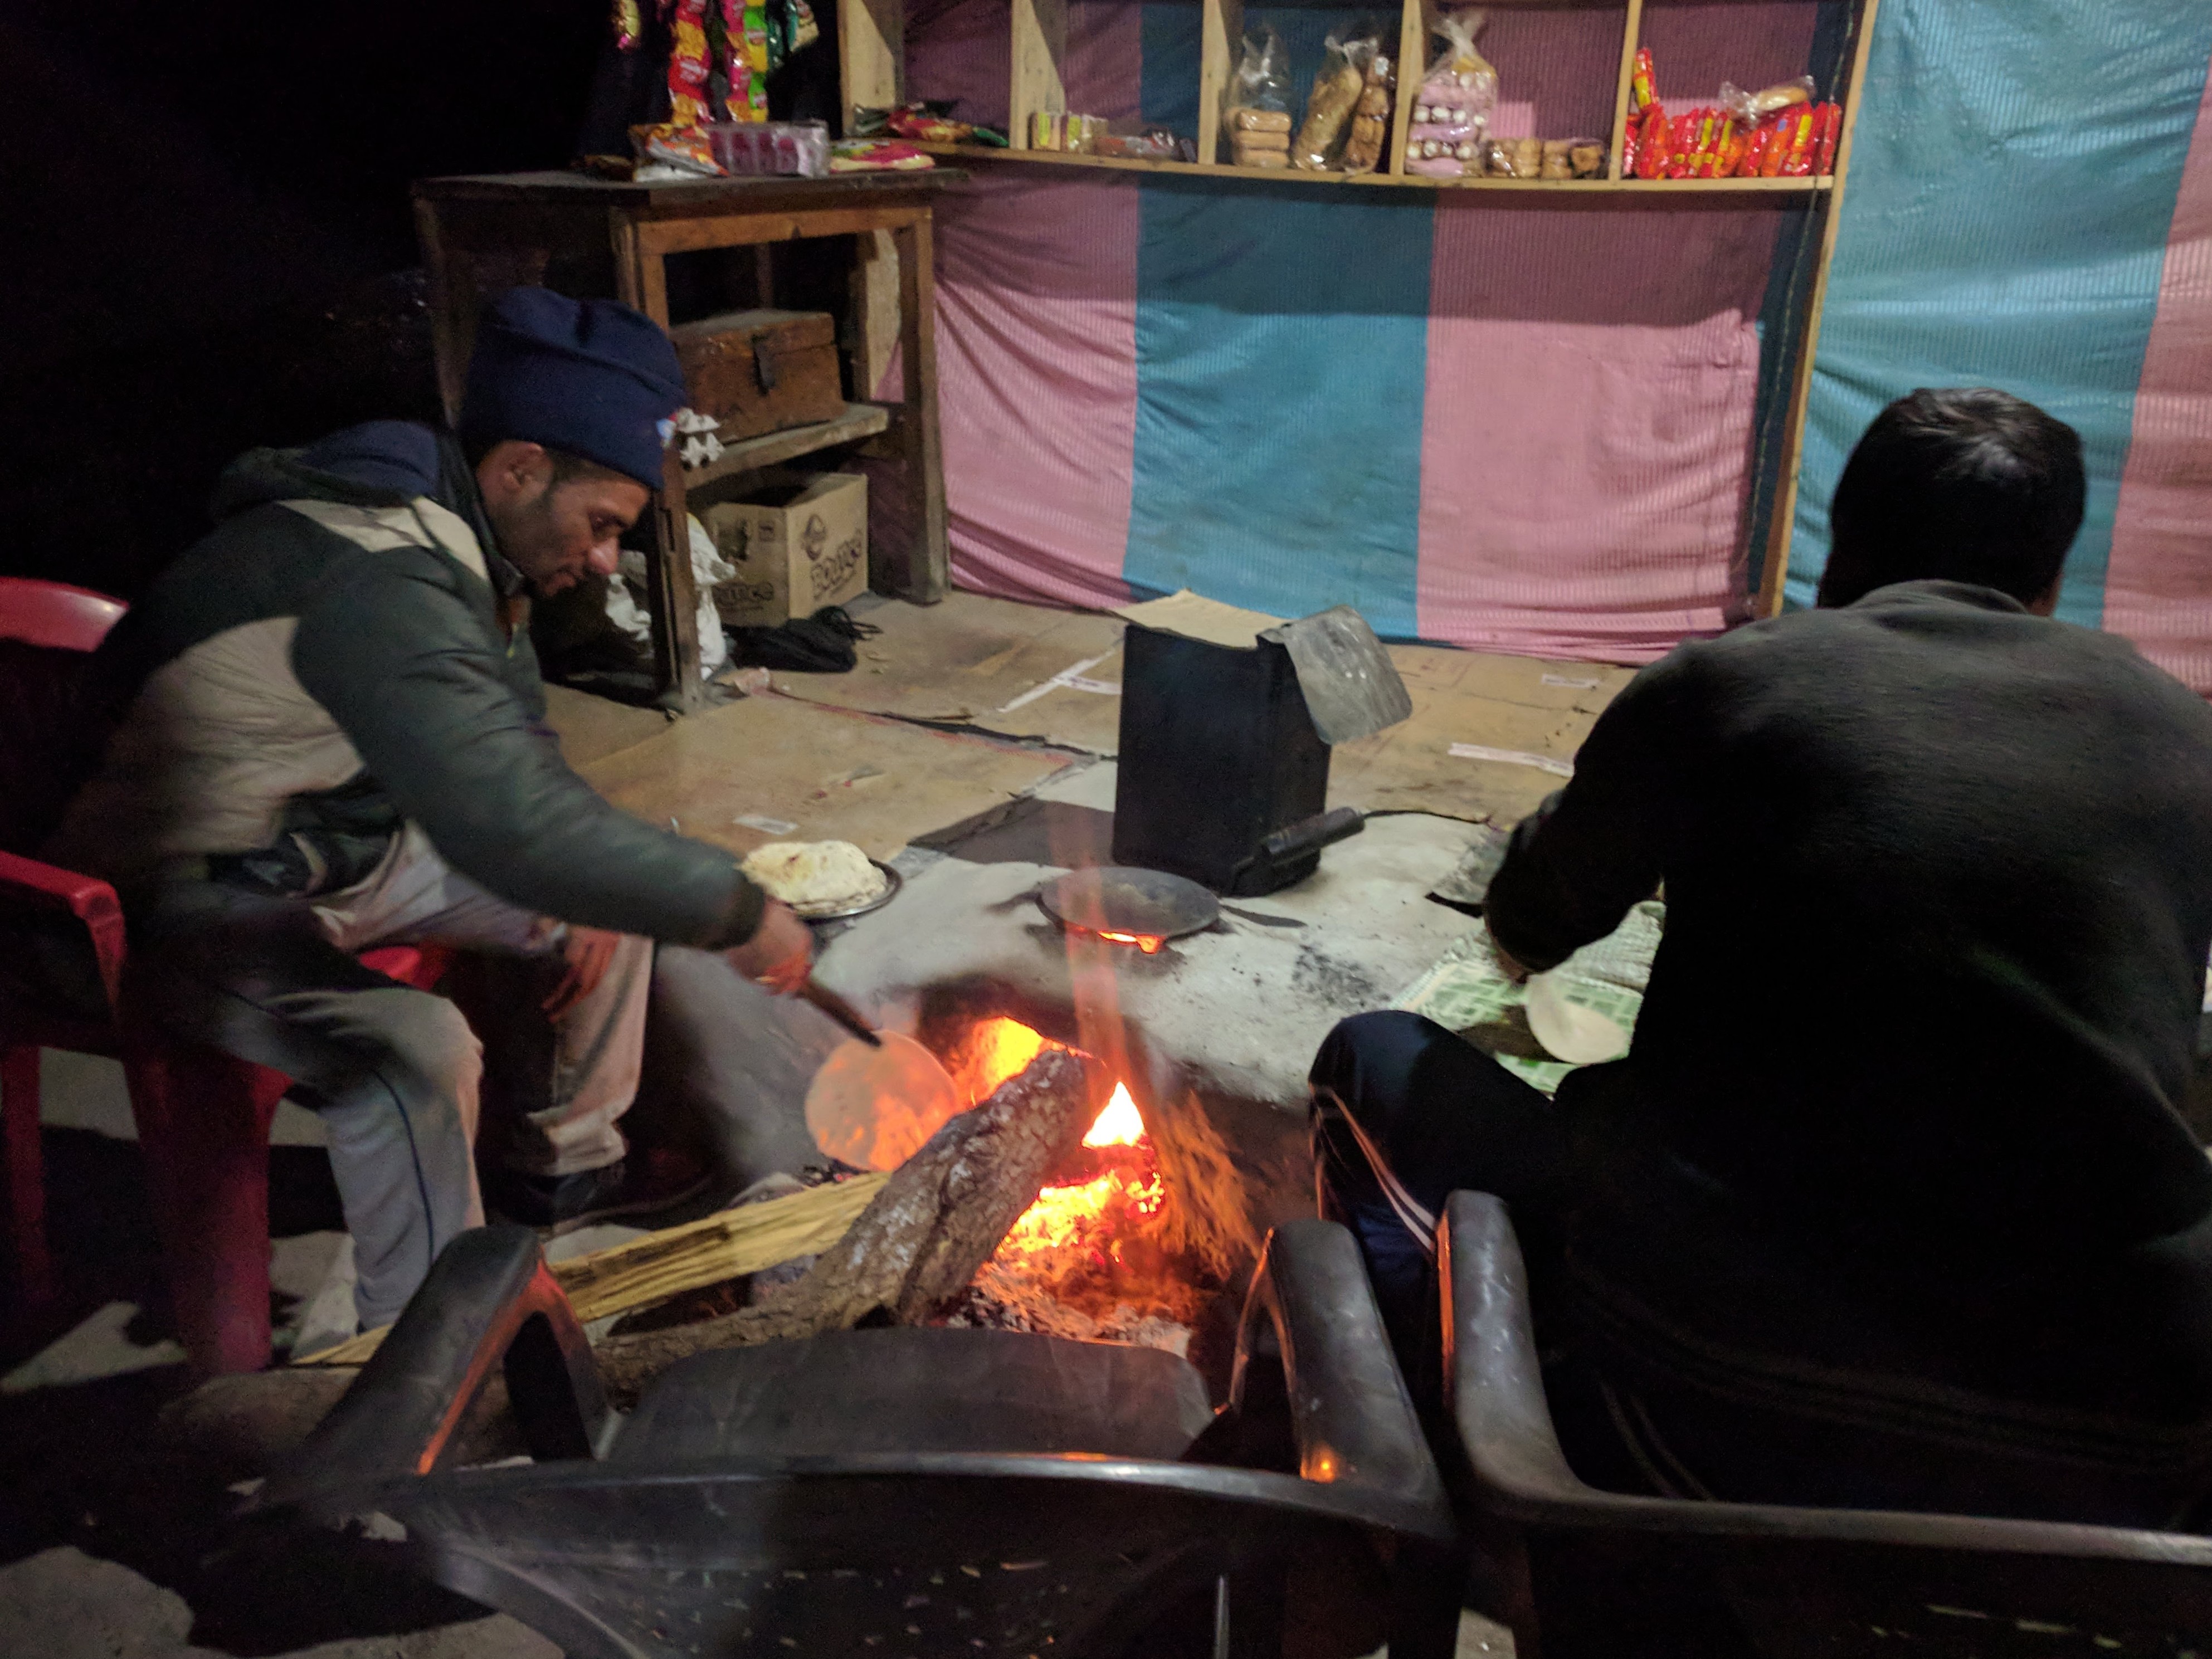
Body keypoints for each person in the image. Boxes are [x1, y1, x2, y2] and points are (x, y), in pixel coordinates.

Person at [1313, 388, 2212, 1527]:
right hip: (2128, 1432)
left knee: (1370, 1061)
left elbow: (1534, 918)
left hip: (1717, 1388)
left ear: (1841, 552)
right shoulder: (2181, 734)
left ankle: (1436, 1498)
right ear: (2047, 578)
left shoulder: (1733, 683)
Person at [47, 287, 820, 1332]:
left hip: (326, 841)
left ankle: (557, 1187)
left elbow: (520, 772)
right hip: (164, 897)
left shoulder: (464, 544)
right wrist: (735, 910)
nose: (603, 561)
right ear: (520, 469)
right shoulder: (381, 576)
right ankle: (421, 1358)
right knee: (414, 1052)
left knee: (603, 906)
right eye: (601, 527)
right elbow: (515, 823)